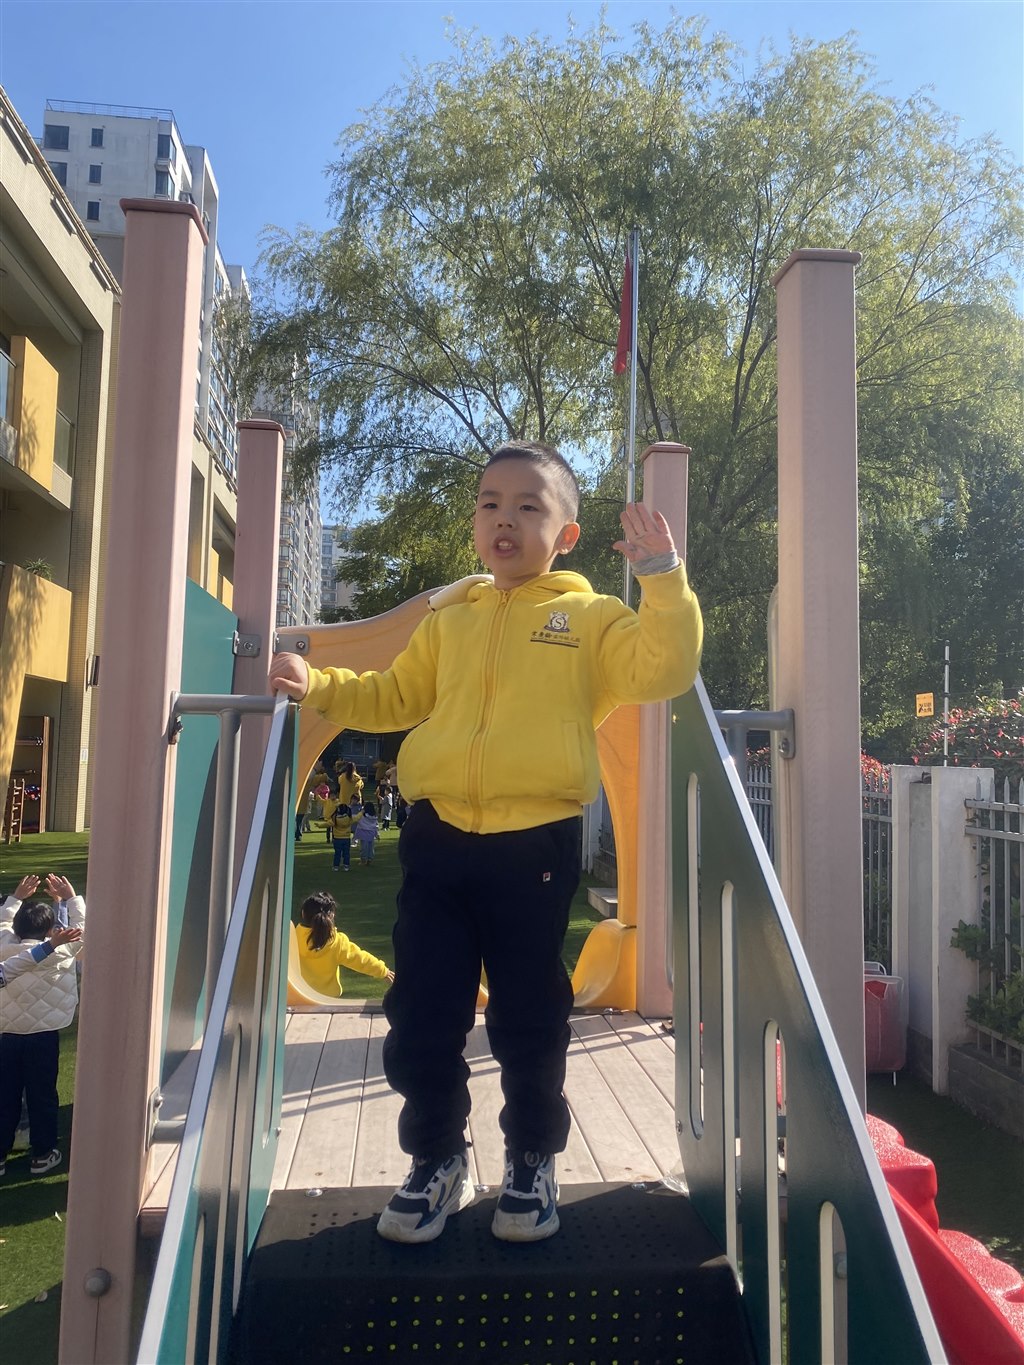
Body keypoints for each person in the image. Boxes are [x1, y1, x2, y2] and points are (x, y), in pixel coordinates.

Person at [270, 439, 702, 1246]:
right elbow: (395, 695)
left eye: (529, 506)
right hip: (438, 838)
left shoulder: (590, 619)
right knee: (421, 1008)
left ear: (566, 534)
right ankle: (437, 1157)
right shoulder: (452, 618)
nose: (505, 519)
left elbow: (664, 668)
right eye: (490, 503)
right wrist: (317, 683)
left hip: (534, 844)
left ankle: (532, 1158)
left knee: (529, 1011)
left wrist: (662, 578)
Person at [0, 874, 87, 1176]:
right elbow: (83, 930)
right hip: (43, 1037)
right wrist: (71, 899)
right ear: (51, 930)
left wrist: (15, 899)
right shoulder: (63, 951)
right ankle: (43, 1153)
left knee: (5, 1095)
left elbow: (2, 925)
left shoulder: (4, 947)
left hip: (8, 1036)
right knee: (42, 1095)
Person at [295, 891, 395, 997]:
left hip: (299, 996)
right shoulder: (337, 942)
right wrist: (382, 970)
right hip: (328, 1000)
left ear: (303, 914)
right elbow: (360, 959)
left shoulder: (291, 937)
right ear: (331, 916)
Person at [330, 803, 354, 872]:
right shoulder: (349, 818)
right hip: (346, 838)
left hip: (337, 838)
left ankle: (336, 866)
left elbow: (327, 823)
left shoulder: (335, 818)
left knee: (337, 853)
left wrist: (320, 826)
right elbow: (357, 817)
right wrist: (362, 812)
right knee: (346, 853)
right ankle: (346, 866)